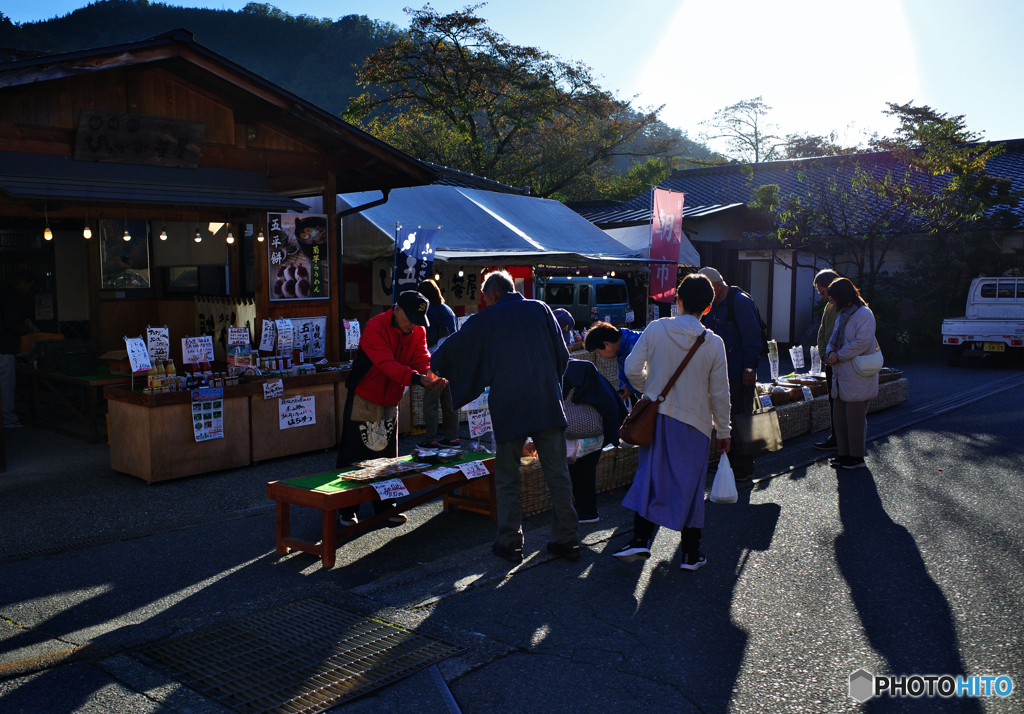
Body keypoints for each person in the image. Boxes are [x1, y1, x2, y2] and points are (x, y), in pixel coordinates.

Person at [432, 270, 580, 564]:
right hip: (546, 401)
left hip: (509, 404)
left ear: (493, 295)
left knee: (507, 477)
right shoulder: (540, 308)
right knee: (558, 474)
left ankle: (510, 543)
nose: (485, 303)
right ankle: (569, 540)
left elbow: (450, 350)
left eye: (485, 298)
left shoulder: (486, 318)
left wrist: (436, 366)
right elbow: (563, 357)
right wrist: (550, 385)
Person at [614, 274, 731, 570]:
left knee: (650, 477)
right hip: (696, 424)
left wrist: (648, 390)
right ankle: (691, 553)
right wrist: (724, 430)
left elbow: (631, 366)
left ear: (677, 300)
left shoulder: (657, 328)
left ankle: (641, 539)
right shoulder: (714, 343)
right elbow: (720, 393)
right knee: (690, 486)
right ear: (707, 308)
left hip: (658, 418)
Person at [337, 291, 447, 526]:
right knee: (354, 455)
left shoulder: (418, 329)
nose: (412, 325)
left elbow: (422, 360)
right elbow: (387, 364)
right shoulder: (375, 326)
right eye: (409, 319)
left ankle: (386, 507)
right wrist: (419, 379)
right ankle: (347, 509)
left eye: (418, 321)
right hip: (364, 395)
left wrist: (433, 375)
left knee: (387, 457)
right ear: (397, 311)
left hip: (391, 397)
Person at [698, 266, 763, 481]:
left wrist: (749, 369)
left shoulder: (740, 303)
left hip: (738, 371)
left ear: (716, 286)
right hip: (719, 372)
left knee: (742, 417)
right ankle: (728, 460)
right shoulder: (712, 305)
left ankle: (744, 466)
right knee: (722, 416)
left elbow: (753, 338)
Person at [562, 358, 628, 523]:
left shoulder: (564, 383)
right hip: (597, 435)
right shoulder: (595, 381)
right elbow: (614, 409)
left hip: (571, 436)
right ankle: (587, 510)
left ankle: (584, 511)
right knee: (587, 472)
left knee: (576, 473)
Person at [824, 277, 878, 471]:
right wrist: (830, 353)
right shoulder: (843, 313)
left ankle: (856, 457)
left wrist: (837, 355)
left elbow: (862, 342)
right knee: (839, 416)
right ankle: (843, 453)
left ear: (843, 296)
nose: (831, 301)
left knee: (854, 419)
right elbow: (833, 338)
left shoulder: (864, 314)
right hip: (841, 374)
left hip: (857, 374)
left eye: (833, 297)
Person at [416, 279, 460, 449]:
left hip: (434, 362)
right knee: (450, 403)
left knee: (431, 402)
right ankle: (453, 438)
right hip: (451, 361)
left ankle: (431, 439)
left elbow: (430, 338)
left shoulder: (430, 312)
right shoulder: (448, 310)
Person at [1, 271, 35, 428]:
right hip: (4, 347)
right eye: (28, 286)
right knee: (6, 383)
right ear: (22, 283)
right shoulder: (11, 295)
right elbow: (9, 323)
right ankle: (7, 418)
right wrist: (25, 328)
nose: (28, 290)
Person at [812, 269, 841, 451]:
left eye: (823, 292)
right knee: (833, 399)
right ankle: (836, 436)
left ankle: (842, 439)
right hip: (829, 361)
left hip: (843, 361)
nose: (822, 296)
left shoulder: (848, 307)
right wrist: (824, 355)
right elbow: (821, 333)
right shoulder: (829, 307)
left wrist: (835, 355)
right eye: (819, 292)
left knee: (843, 401)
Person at [583, 321, 643, 401]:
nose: (601, 356)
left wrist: (629, 387)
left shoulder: (636, 343)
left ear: (607, 344)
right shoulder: (620, 348)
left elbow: (648, 375)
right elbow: (623, 378)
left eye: (599, 352)